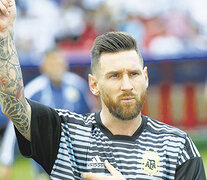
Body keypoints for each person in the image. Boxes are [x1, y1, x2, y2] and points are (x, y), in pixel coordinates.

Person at [0, 1, 206, 180]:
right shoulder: (65, 135)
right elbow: (13, 102)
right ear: (94, 84)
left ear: (145, 78)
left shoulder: (177, 147)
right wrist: (4, 34)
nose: (127, 85)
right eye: (114, 75)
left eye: (133, 74)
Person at [0, 48, 93, 180]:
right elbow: (15, 125)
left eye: (59, 62)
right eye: (52, 63)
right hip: (46, 167)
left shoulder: (78, 85)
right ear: (43, 67)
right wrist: (7, 160)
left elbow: (92, 119)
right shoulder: (33, 90)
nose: (57, 67)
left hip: (78, 163)